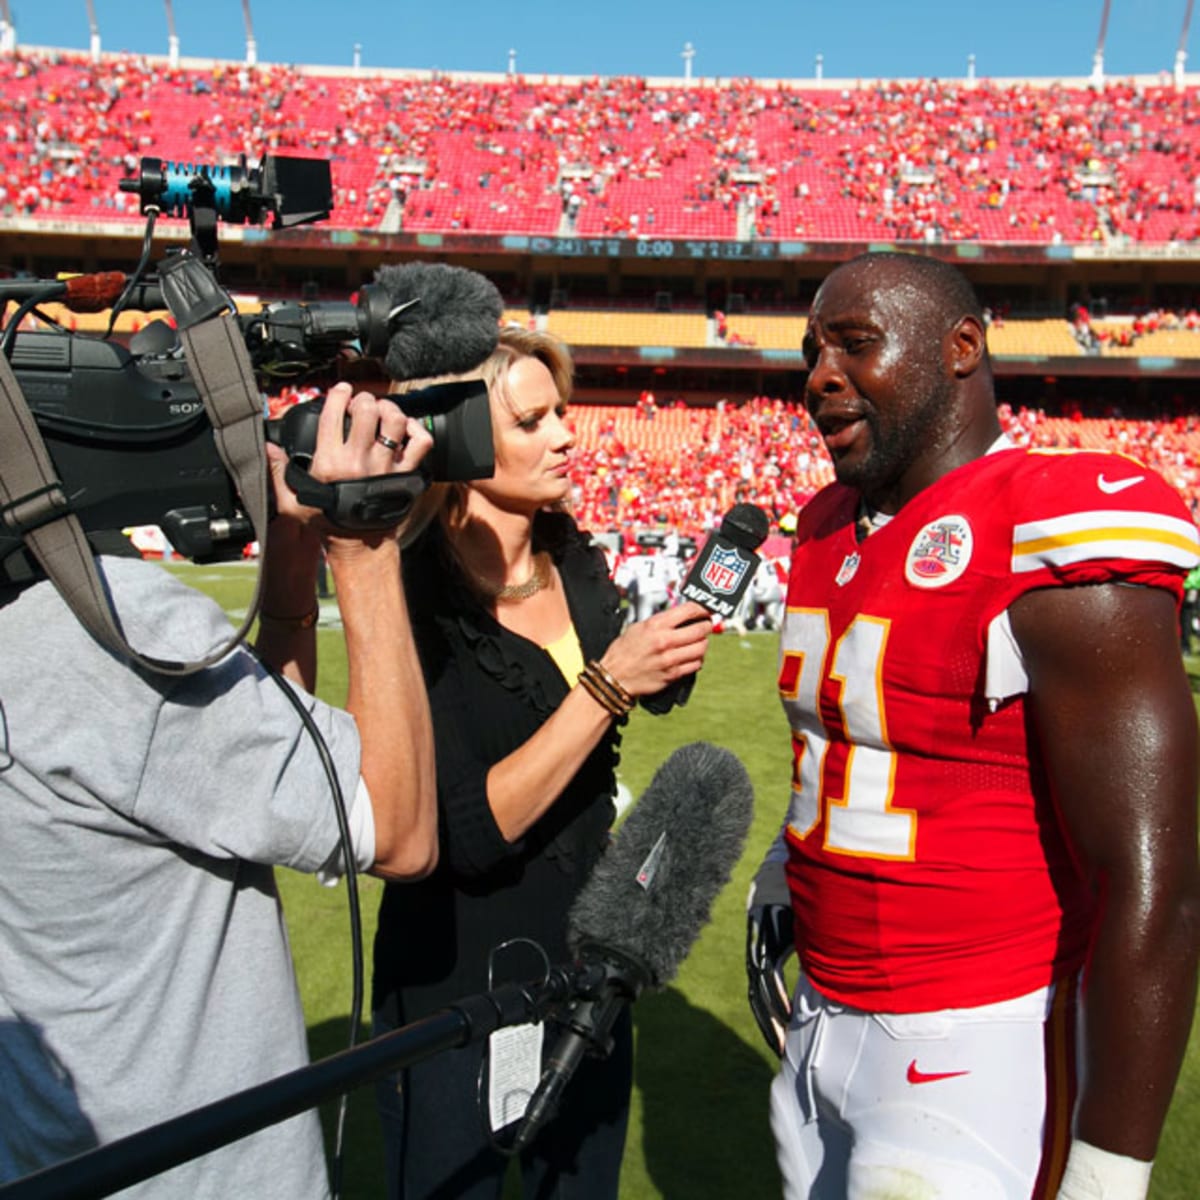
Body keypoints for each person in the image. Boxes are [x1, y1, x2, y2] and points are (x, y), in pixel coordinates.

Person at [745, 252, 1200, 1200]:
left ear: (962, 348)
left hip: (975, 1038)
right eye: (811, 350)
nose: (818, 375)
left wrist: (1110, 1171)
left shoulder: (1051, 519)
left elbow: (1154, 884)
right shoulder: (828, 522)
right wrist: (787, 873)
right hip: (818, 1020)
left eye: (855, 344)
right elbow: (846, 747)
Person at [0, 383, 439, 1197]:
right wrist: (365, 547)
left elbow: (244, 780)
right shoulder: (104, 630)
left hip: (51, 1153)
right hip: (204, 1170)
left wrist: (293, 564)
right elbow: (396, 827)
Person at [370, 326, 714, 1200]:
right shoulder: (412, 591)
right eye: (531, 421)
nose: (567, 433)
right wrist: (609, 684)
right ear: (461, 441)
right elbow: (470, 832)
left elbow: (619, 715)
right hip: (465, 970)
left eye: (561, 411)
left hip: (592, 960)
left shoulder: (572, 552)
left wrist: (658, 665)